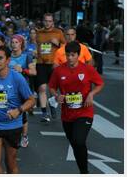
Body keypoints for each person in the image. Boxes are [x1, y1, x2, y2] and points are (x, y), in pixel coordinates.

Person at [49, 41, 104, 174]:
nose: (70, 58)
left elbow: (100, 84)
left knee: (79, 141)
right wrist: (57, 96)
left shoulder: (88, 69)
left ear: (78, 55)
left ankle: (84, 172)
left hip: (85, 112)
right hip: (67, 114)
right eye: (68, 55)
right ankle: (83, 170)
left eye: (73, 55)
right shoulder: (59, 70)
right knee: (75, 144)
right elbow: (51, 87)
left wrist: (91, 94)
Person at [0, 46, 35, 174]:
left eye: (0, 58)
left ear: (8, 60)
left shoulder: (17, 78)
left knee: (10, 163)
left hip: (12, 125)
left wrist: (18, 110)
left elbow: (31, 100)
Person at [36, 13, 65, 122]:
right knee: (42, 88)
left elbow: (65, 47)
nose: (47, 23)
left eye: (50, 21)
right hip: (41, 63)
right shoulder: (39, 33)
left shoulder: (58, 32)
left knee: (53, 89)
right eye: (46, 21)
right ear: (43, 21)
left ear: (53, 22)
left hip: (54, 64)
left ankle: (52, 103)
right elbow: (37, 47)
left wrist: (57, 44)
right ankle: (44, 113)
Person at [9, 34, 36, 148]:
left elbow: (33, 72)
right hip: (9, 87)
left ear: (21, 44)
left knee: (22, 113)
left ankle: (24, 136)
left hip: (22, 88)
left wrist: (22, 70)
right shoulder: (8, 57)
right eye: (13, 42)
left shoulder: (26, 56)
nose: (14, 44)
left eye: (17, 42)